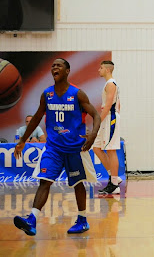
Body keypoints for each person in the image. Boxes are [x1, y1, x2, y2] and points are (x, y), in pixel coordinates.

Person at [13, 58, 101, 236]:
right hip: (53, 148)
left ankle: (82, 220)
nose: (54, 67)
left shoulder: (77, 94)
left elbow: (96, 115)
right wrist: (22, 139)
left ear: (67, 71)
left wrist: (93, 135)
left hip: (75, 148)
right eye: (52, 65)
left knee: (77, 184)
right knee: (44, 181)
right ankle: (32, 220)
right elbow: (37, 117)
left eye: (59, 65)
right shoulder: (47, 94)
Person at [93, 61, 123, 195]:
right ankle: (113, 176)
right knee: (96, 148)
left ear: (107, 70)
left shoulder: (111, 84)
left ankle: (114, 184)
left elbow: (110, 105)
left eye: (101, 68)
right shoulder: (109, 84)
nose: (99, 70)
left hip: (109, 119)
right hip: (108, 119)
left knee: (111, 150)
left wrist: (98, 121)